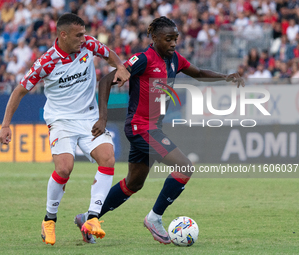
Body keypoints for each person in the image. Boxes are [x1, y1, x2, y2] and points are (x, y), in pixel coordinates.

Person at [77, 16, 244, 244]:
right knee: (185, 167)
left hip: (151, 128)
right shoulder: (143, 59)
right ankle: (154, 218)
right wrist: (103, 118)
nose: (174, 43)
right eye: (169, 39)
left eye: (176, 38)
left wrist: (225, 76)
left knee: (133, 183)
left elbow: (198, 73)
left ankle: (88, 219)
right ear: (154, 38)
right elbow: (106, 81)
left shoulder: (175, 59)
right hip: (141, 128)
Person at [0, 13, 130, 246]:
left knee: (108, 158)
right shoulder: (46, 62)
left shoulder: (88, 44)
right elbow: (19, 90)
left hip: (88, 118)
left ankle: (92, 219)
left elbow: (108, 53)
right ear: (63, 34)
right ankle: (49, 220)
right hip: (61, 120)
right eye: (78, 35)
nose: (84, 38)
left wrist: (119, 66)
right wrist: (6, 125)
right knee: (64, 167)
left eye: (84, 33)